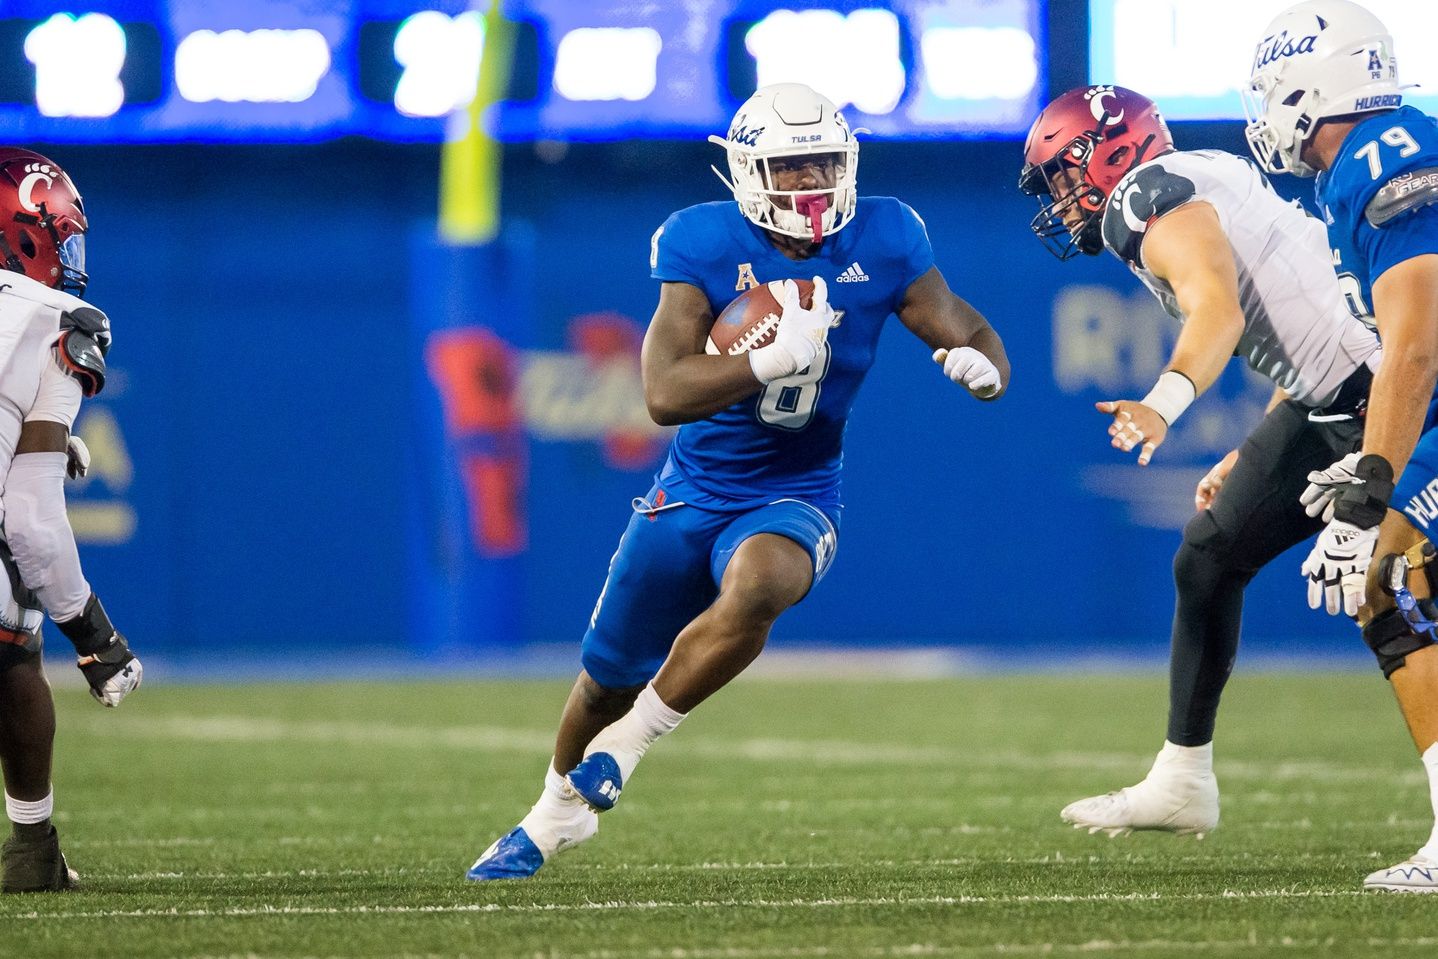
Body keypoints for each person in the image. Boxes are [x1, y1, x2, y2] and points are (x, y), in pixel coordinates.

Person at [467, 82, 1010, 880]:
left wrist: (986, 365)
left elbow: (966, 322)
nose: (811, 184)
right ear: (752, 173)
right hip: (691, 490)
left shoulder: (888, 234)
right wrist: (760, 361)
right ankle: (554, 809)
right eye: (792, 169)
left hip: (799, 486)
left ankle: (629, 746)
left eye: (823, 162)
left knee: (763, 580)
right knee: (602, 679)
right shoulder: (700, 241)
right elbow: (661, 392)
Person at [1019, 85, 1381, 838]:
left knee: (1397, 596)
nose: (1060, 198)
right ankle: (1183, 778)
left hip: (1389, 396)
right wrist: (1254, 447)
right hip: (1339, 393)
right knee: (1210, 552)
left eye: (1061, 173)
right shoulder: (1192, 173)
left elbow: (1221, 310)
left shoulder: (1143, 196)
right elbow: (1308, 321)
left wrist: (1162, 403)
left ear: (1107, 151)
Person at [1244, 0, 1438, 892]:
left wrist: (1372, 492)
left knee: (1388, 574)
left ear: (1306, 91)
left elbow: (1419, 340)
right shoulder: (1364, 166)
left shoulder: (1380, 157)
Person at [0, 148, 141, 893]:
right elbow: (29, 517)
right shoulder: (55, 319)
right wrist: (96, 638)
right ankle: (31, 848)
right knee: (12, 626)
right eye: (62, 235)